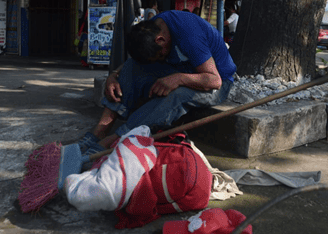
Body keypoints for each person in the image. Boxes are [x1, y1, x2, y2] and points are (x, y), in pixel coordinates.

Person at [77, 10, 236, 154]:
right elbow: (135, 62)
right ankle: (99, 132)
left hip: (215, 82)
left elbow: (215, 81)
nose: (161, 58)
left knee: (177, 94)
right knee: (132, 67)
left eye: (160, 56)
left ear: (160, 40)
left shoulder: (189, 34)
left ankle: (116, 139)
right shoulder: (155, 27)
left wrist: (178, 79)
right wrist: (115, 75)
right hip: (184, 70)